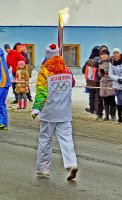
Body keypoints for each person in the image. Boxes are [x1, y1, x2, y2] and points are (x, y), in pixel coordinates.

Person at [31, 44, 78, 180]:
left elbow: (41, 92)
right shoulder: (67, 70)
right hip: (65, 112)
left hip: (49, 112)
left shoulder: (45, 71)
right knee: (67, 139)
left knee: (45, 139)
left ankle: (43, 169)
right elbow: (73, 83)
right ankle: (71, 163)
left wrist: (36, 109)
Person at [98, 48, 116, 121]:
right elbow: (99, 74)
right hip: (103, 82)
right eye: (102, 55)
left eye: (105, 54)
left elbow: (114, 71)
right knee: (105, 99)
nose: (104, 56)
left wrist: (107, 72)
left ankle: (113, 115)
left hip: (110, 81)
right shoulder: (100, 63)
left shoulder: (111, 62)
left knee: (111, 99)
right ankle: (106, 116)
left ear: (108, 55)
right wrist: (101, 73)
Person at [0, 48, 11, 130]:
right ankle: (3, 123)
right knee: (1, 104)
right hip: (5, 84)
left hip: (1, 84)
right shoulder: (2, 57)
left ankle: (2, 122)